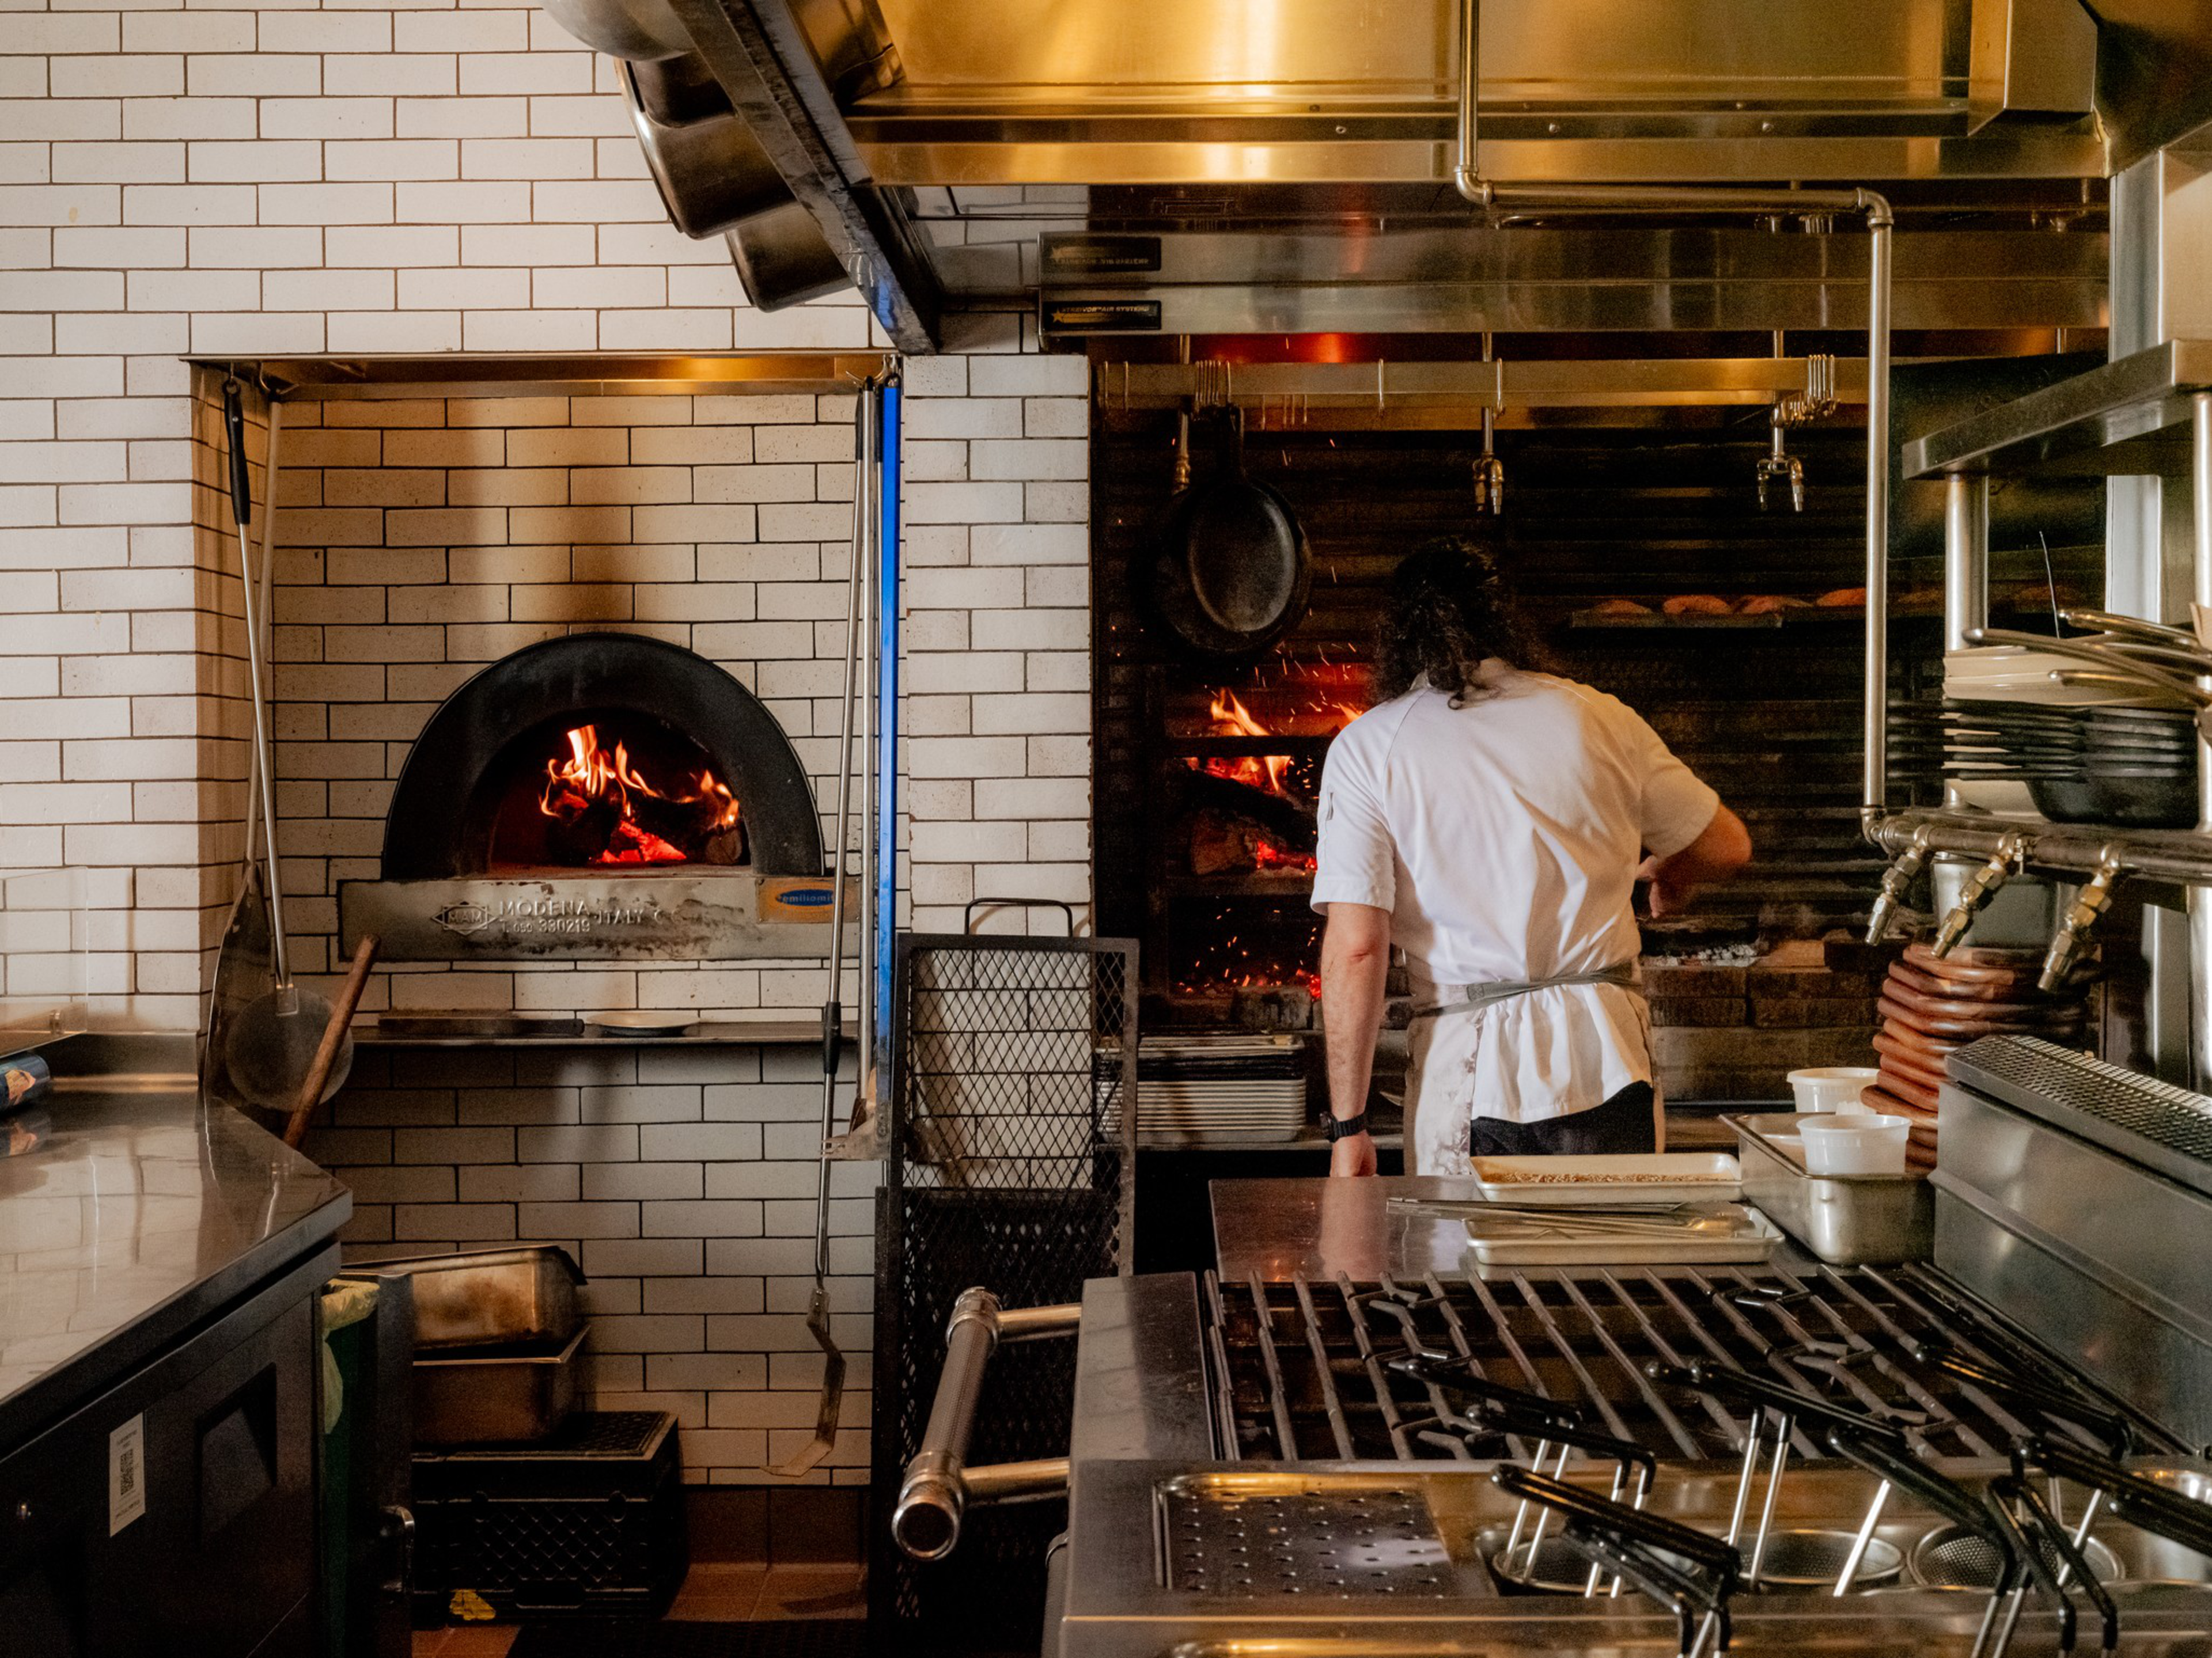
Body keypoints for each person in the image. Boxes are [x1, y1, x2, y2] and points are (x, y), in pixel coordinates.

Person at [1312, 538, 1751, 1178]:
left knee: (1467, 1275)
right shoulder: (1599, 718)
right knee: (1605, 1268)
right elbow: (1726, 844)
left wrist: (1348, 1126)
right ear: (1504, 621)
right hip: (1610, 1061)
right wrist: (1672, 870)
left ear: (1398, 636)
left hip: (1473, 1073)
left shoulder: (1371, 745)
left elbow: (1357, 947)